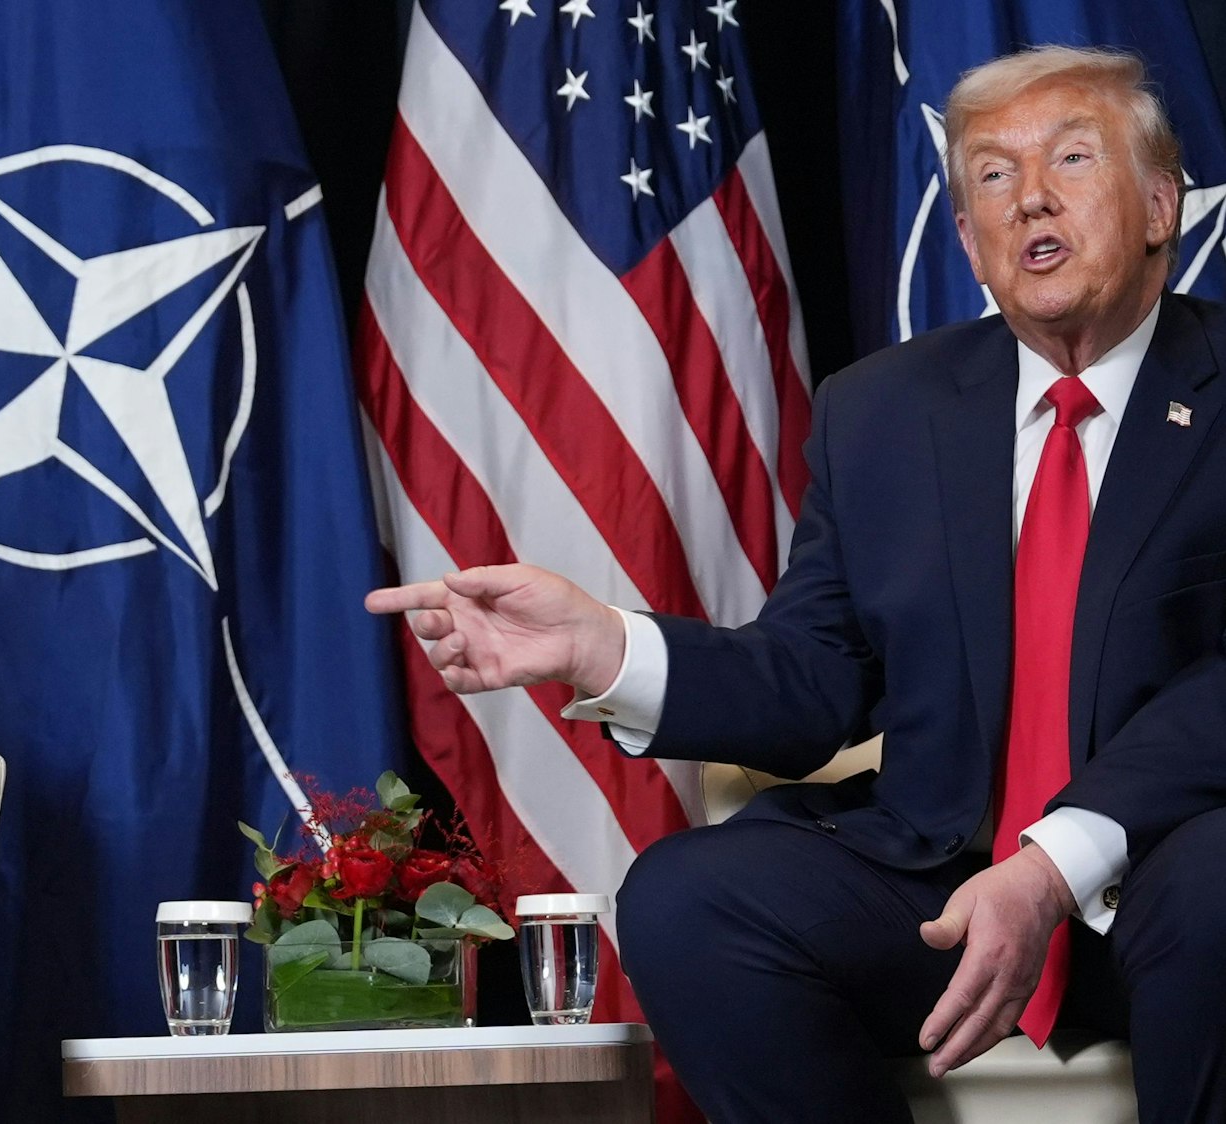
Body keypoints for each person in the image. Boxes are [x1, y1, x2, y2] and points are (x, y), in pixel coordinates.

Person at [369, 45, 1226, 1121]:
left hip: (1167, 872)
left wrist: (1055, 863)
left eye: (1071, 158)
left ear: (1160, 204)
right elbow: (815, 681)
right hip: (943, 876)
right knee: (687, 899)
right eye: (992, 177)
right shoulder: (883, 411)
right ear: (965, 238)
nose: (1030, 199)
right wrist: (608, 649)